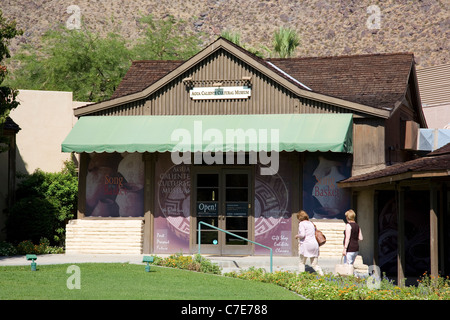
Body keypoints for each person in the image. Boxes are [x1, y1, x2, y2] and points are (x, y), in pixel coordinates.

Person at [295, 210, 324, 275]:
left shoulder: (301, 224)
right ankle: (322, 276)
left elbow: (302, 235)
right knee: (314, 264)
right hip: (314, 245)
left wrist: (297, 236)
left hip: (306, 245)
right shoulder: (311, 223)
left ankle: (301, 277)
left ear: (299, 218)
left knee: (302, 262)